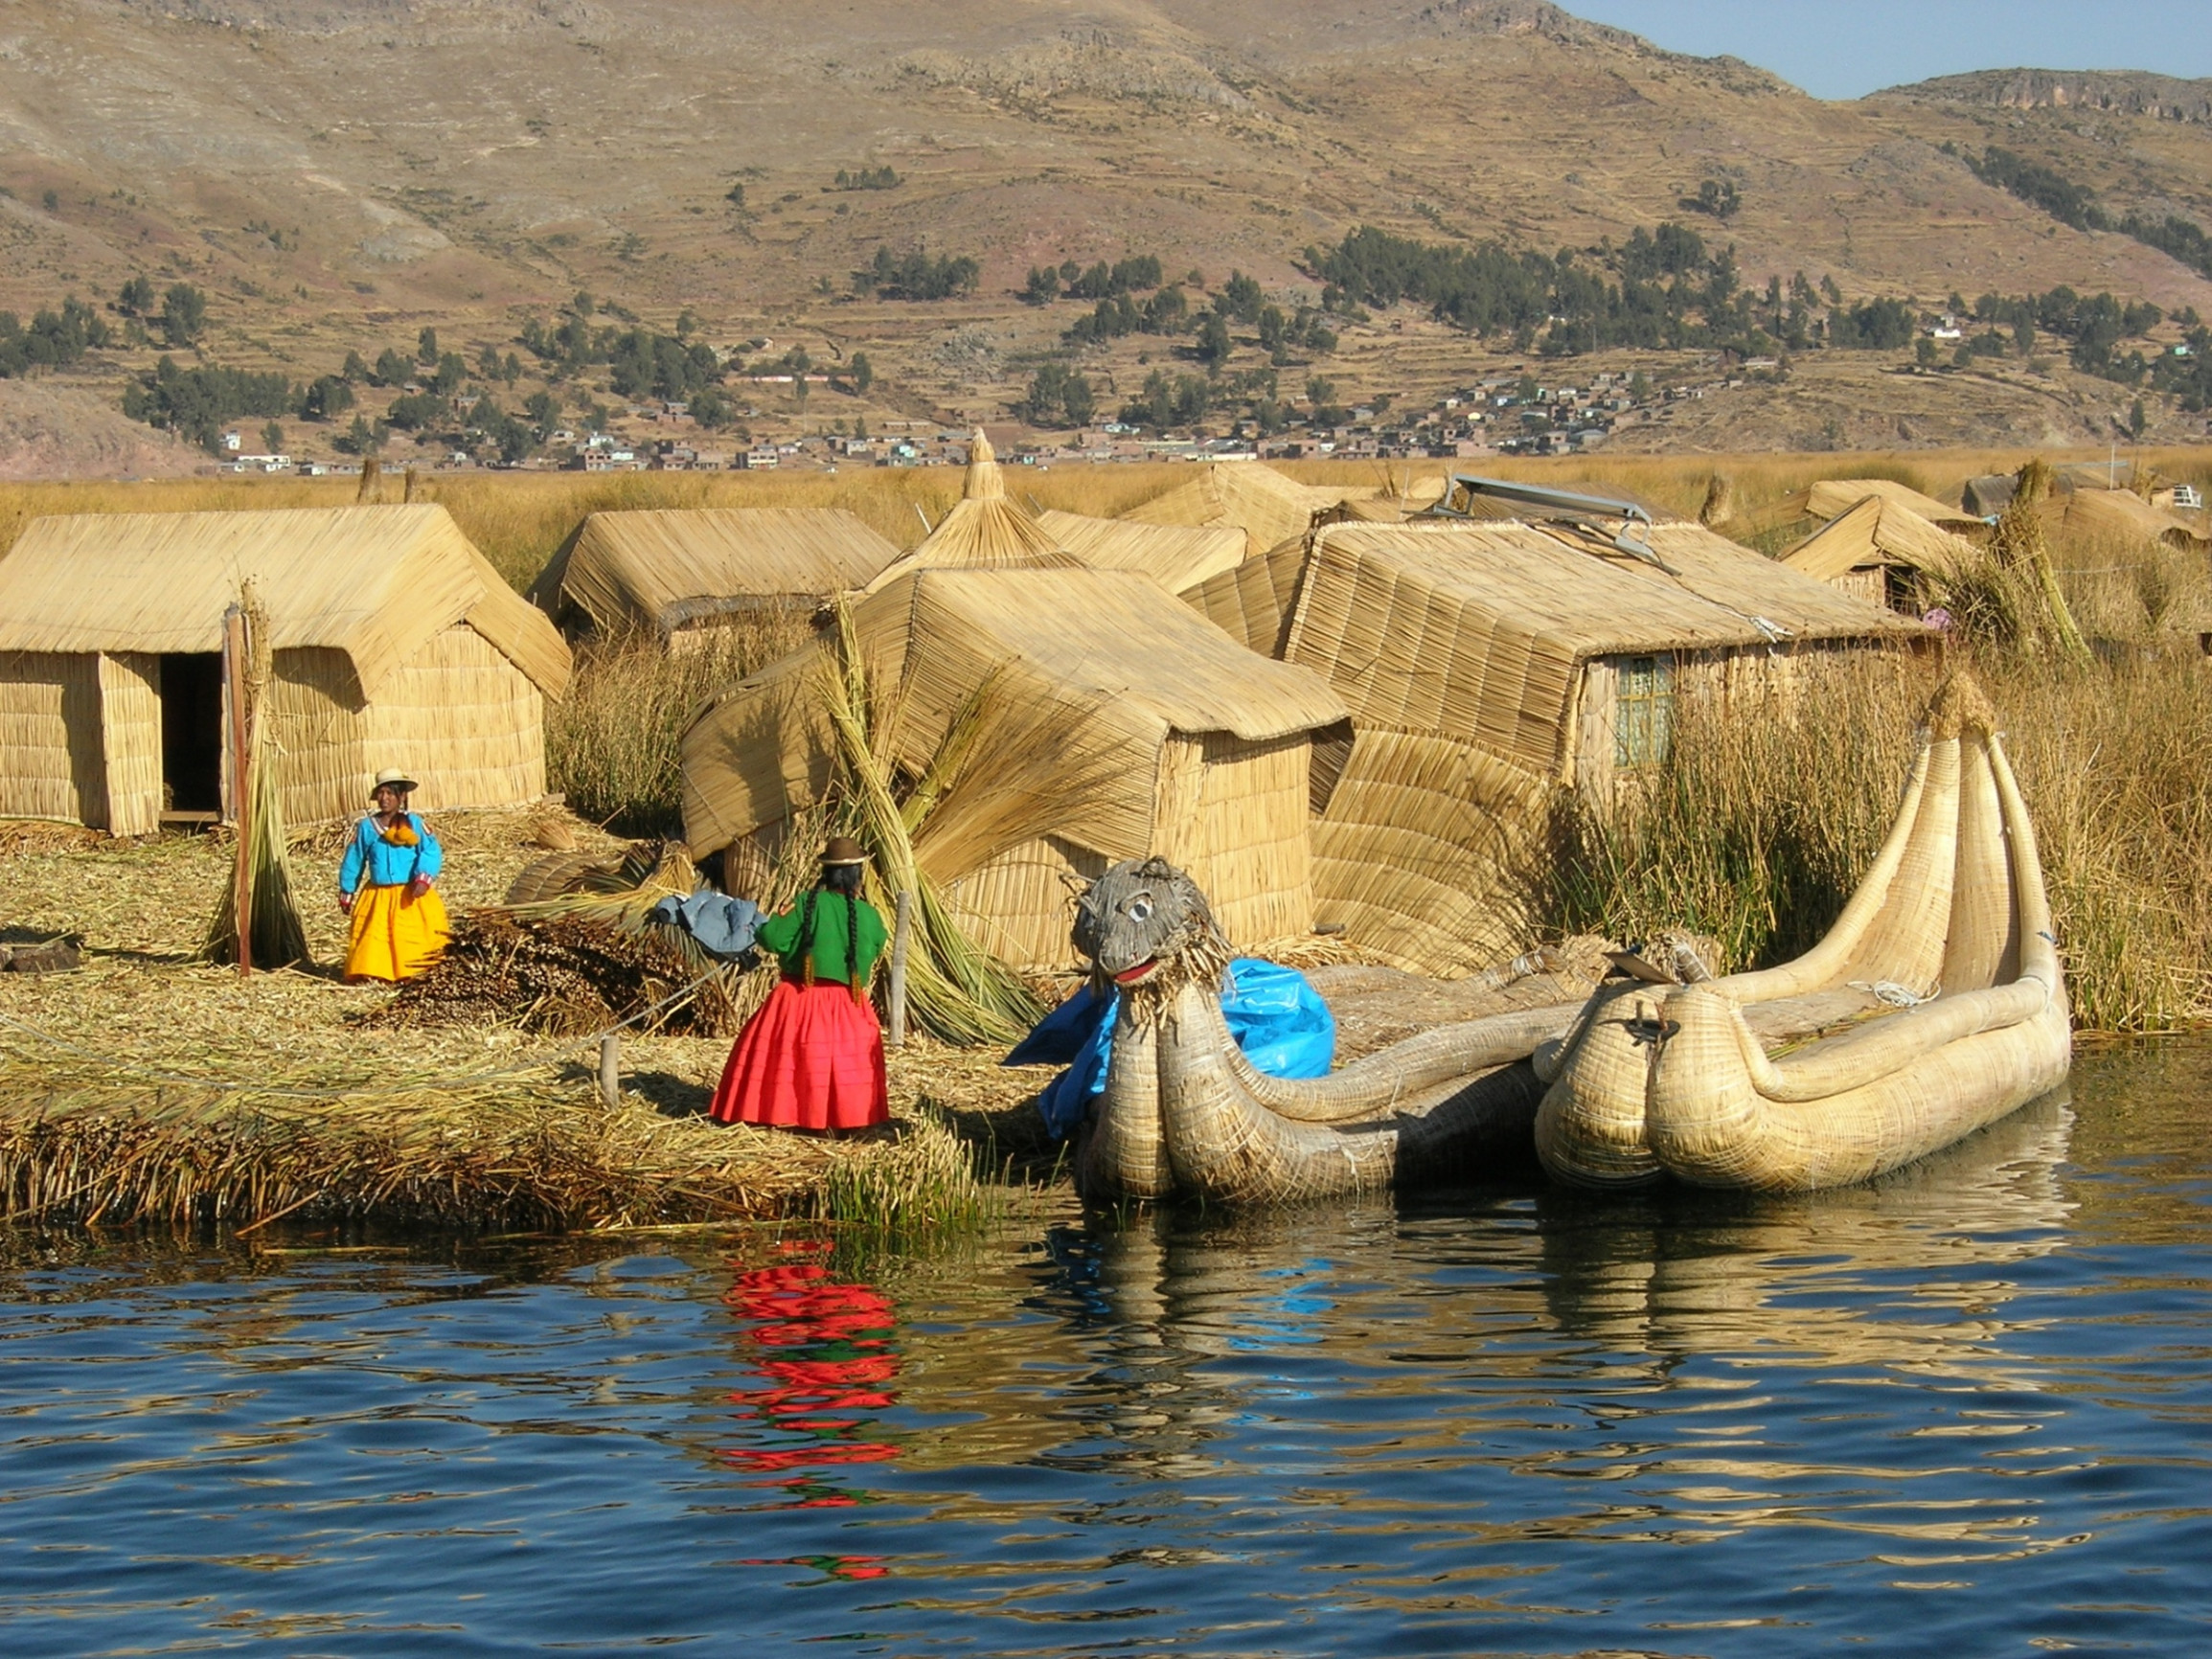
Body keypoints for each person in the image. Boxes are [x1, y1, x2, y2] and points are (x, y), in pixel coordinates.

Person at [710, 836, 889, 1132]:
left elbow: (771, 939)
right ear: (859, 874)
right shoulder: (869, 916)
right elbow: (876, 947)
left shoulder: (806, 903)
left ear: (825, 872)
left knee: (788, 1062)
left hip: (798, 997)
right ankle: (841, 1120)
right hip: (849, 1004)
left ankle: (781, 1114)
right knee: (842, 1065)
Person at [338, 767, 450, 984]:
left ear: (402, 796)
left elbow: (430, 850)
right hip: (378, 895)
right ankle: (377, 973)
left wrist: (423, 877)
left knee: (410, 935)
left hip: (410, 894)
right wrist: (347, 889)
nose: (385, 798)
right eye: (381, 793)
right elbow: (355, 857)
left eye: (390, 793)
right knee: (376, 937)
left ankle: (410, 972)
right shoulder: (367, 828)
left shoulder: (415, 824)